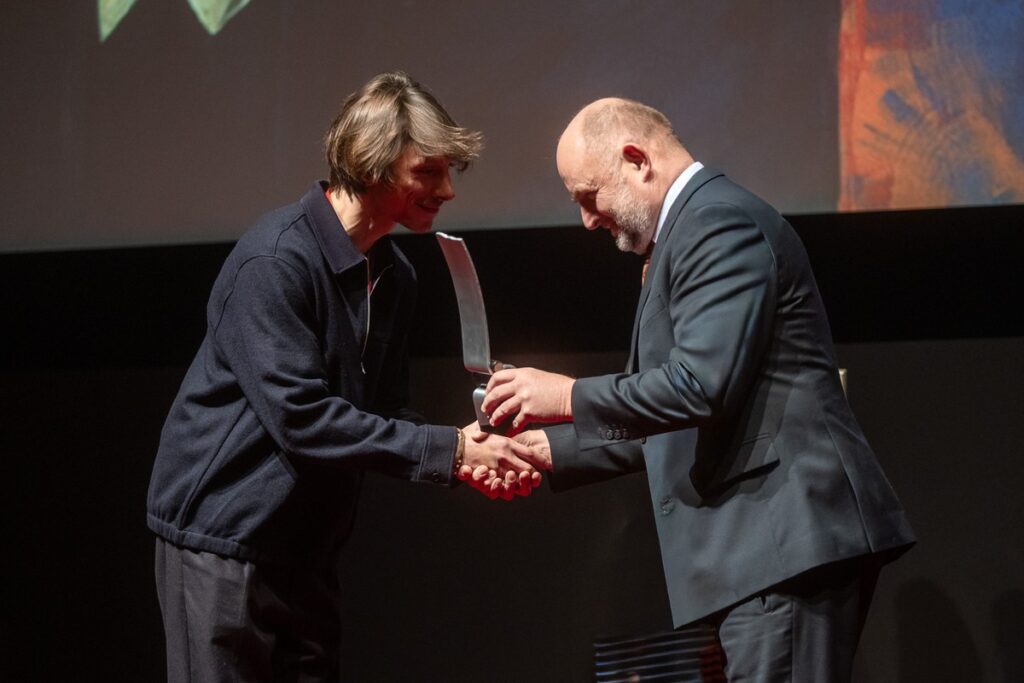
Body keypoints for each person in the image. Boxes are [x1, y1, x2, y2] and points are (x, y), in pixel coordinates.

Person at [481, 98, 916, 681]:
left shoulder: (717, 222)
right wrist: (549, 448)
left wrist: (564, 396)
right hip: (762, 552)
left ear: (636, 160)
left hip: (781, 543)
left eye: (589, 195)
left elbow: (698, 388)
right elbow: (670, 416)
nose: (586, 219)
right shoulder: (688, 232)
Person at [147, 71, 537, 682]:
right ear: (374, 165)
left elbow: (380, 413)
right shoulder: (274, 261)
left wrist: (470, 449)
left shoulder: (397, 274)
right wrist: (451, 451)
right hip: (223, 545)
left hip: (307, 553)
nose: (448, 191)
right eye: (428, 172)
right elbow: (301, 419)